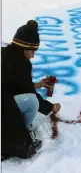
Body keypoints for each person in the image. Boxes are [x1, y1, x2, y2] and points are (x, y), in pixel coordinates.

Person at [1, 20, 61, 160]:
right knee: (32, 101)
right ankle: (19, 131)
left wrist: (37, 85)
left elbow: (13, 84)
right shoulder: (20, 64)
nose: (33, 56)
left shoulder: (6, 53)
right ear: (25, 49)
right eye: (32, 52)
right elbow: (29, 94)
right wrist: (51, 107)